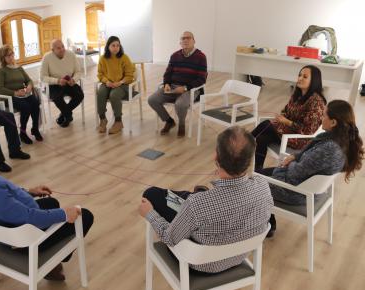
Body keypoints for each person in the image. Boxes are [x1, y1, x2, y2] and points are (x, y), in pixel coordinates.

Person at [0, 124, 94, 280]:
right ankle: (45, 259)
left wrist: (29, 191)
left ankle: (50, 260)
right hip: (18, 236)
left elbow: (4, 192)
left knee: (51, 202)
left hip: (2, 221)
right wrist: (65, 214)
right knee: (84, 216)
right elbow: (30, 217)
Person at [139, 126, 272, 273]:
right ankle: (195, 194)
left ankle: (190, 195)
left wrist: (150, 214)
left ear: (215, 156)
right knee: (190, 197)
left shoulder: (197, 204)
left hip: (201, 265)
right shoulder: (263, 186)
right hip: (238, 256)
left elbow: (169, 238)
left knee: (151, 194)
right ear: (249, 160)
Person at [258, 100, 364, 237]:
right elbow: (309, 159)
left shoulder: (329, 149)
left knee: (251, 182)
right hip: (305, 185)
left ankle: (260, 227)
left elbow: (295, 174)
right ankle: (269, 223)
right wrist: (295, 157)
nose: (321, 118)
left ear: (333, 123)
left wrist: (291, 163)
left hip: (296, 191)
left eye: (324, 115)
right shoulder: (338, 141)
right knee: (257, 174)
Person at [252, 65, 326, 170]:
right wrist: (283, 116)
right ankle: (258, 171)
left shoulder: (317, 102)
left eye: (305, 77)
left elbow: (308, 131)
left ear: (314, 81)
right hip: (288, 131)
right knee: (261, 138)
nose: (300, 78)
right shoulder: (297, 94)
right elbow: (286, 110)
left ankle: (242, 145)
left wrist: (286, 122)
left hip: (300, 139)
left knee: (267, 124)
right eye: (299, 75)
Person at [148, 31, 208, 137]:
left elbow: (201, 79)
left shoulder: (201, 57)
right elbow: (168, 73)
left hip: (191, 89)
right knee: (152, 100)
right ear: (180, 42)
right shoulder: (175, 56)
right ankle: (169, 121)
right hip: (173, 87)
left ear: (194, 41)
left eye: (188, 38)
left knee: (180, 104)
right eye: (183, 38)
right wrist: (166, 83)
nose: (185, 40)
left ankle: (181, 124)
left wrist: (185, 88)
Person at [0, 44, 42, 144]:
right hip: (10, 97)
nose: (11, 57)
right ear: (3, 58)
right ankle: (23, 132)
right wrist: (15, 93)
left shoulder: (19, 68)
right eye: (8, 56)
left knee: (35, 103)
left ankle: (35, 129)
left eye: (12, 54)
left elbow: (28, 80)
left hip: (23, 94)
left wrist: (29, 87)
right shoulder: (1, 71)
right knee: (25, 107)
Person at [40, 39, 84, 128]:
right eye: (58, 48)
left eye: (63, 46)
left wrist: (74, 80)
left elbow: (78, 71)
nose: (62, 49)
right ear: (53, 50)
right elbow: (43, 77)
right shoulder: (47, 57)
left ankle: (63, 115)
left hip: (69, 82)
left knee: (80, 95)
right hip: (54, 85)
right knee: (57, 97)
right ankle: (68, 116)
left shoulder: (71, 55)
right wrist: (57, 81)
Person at [96, 36, 135, 134]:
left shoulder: (124, 58)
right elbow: (100, 74)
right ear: (108, 46)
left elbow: (130, 76)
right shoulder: (103, 58)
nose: (116, 48)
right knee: (100, 93)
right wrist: (106, 81)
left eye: (118, 45)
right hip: (108, 83)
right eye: (113, 45)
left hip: (123, 84)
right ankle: (103, 119)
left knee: (114, 95)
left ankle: (118, 122)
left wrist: (120, 82)